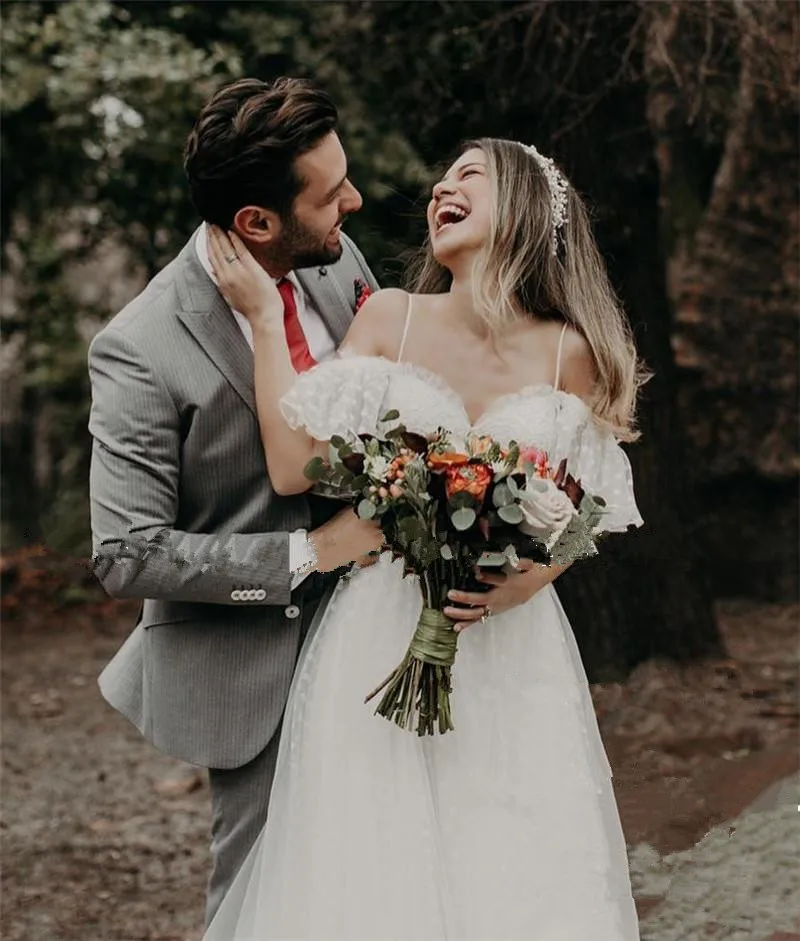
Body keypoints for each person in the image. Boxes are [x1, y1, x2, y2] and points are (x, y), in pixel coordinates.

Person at [202, 138, 647, 939]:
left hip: (513, 649)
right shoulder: (391, 316)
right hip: (380, 630)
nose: (444, 185)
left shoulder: (566, 351)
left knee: (514, 852)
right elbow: (293, 463)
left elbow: (584, 515)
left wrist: (527, 581)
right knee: (374, 858)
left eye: (469, 174)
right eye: (444, 178)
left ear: (525, 208)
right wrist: (267, 320)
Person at [87, 76, 385, 928]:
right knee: (263, 896)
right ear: (256, 221)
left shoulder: (336, 261)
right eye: (331, 196)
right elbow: (125, 552)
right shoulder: (139, 349)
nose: (354, 204)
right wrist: (312, 554)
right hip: (256, 665)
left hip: (385, 623)